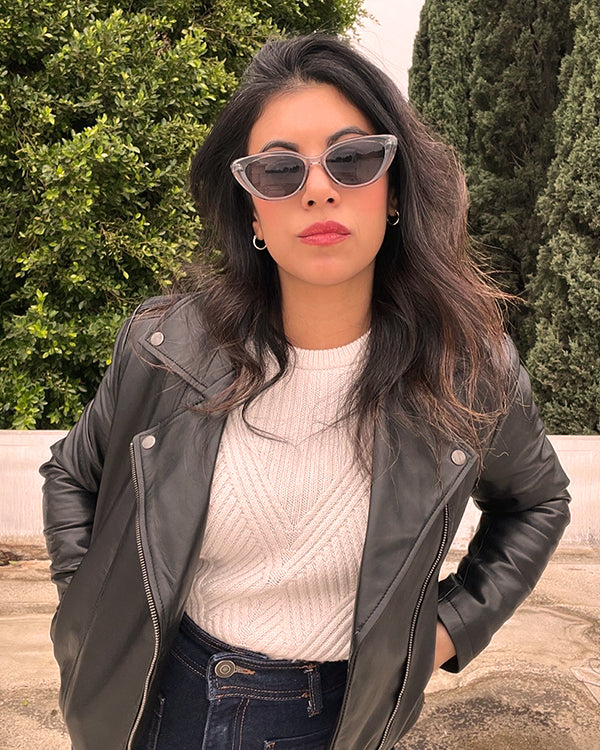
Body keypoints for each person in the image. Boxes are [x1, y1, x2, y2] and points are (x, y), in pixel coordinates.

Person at [41, 33, 571, 750]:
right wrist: (92, 606)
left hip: (332, 720)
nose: (318, 189)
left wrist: (445, 631)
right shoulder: (168, 347)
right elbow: (73, 474)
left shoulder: (468, 369)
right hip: (156, 704)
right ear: (252, 212)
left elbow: (537, 502)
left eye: (352, 159)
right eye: (279, 169)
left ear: (394, 189)